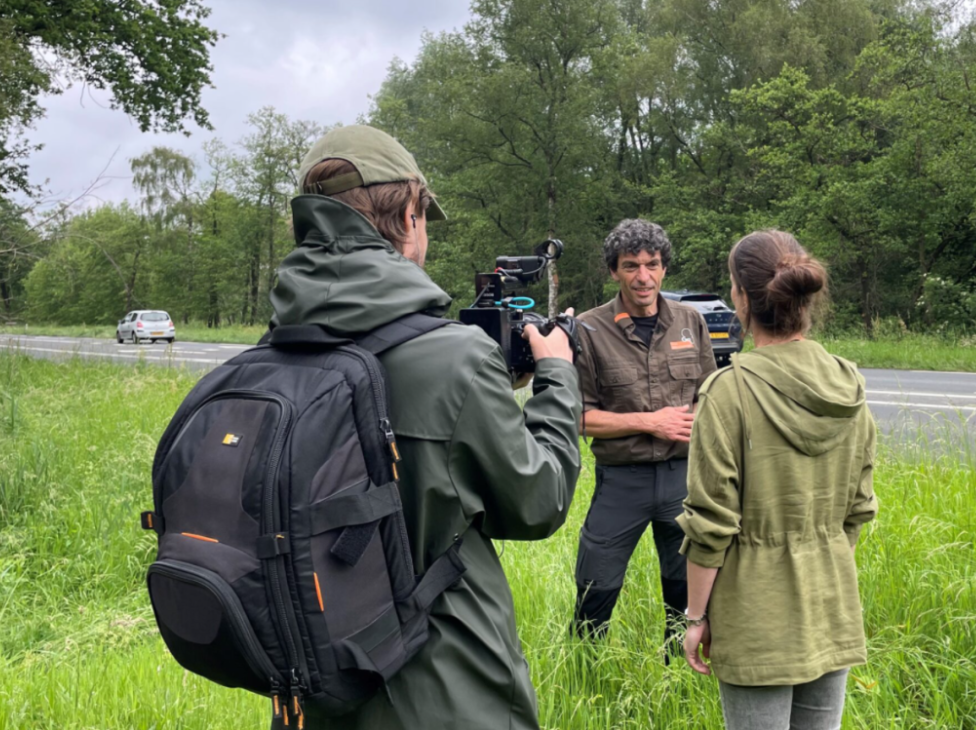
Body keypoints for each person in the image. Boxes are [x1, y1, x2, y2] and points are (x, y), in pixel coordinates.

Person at [270, 125, 583, 730]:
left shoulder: (276, 348)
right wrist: (557, 378)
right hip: (444, 689)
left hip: (313, 689)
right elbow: (537, 502)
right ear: (410, 213)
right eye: (424, 216)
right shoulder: (453, 357)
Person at [677, 230, 878, 730]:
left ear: (741, 298)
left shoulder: (728, 391)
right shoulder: (846, 381)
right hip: (830, 602)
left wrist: (696, 618)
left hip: (754, 613)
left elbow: (711, 524)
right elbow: (858, 507)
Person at [571, 219, 717, 644]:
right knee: (595, 584)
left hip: (683, 479)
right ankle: (585, 669)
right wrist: (649, 422)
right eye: (631, 266)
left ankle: (679, 673)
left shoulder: (690, 322)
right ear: (614, 271)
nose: (643, 277)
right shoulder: (589, 329)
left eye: (652, 265)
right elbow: (578, 417)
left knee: (684, 590)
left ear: (664, 269)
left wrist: (694, 418)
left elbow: (710, 396)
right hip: (622, 482)